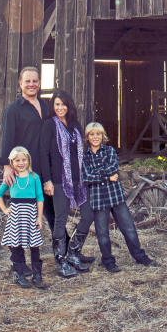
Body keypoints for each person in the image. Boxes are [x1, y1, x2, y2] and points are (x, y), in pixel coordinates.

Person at [80, 122, 156, 272]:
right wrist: (107, 177)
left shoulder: (110, 151)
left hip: (115, 196)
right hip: (98, 199)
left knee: (128, 228)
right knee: (102, 232)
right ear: (87, 137)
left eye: (98, 134)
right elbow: (86, 177)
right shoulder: (84, 157)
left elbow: (113, 168)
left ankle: (139, 256)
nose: (95, 137)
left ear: (103, 136)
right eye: (92, 134)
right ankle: (108, 260)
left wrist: (98, 174)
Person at [38, 90, 94, 278]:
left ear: (69, 106)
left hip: (80, 179)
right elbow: (43, 154)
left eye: (63, 104)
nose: (60, 108)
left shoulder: (75, 125)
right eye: (57, 105)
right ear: (52, 107)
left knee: (88, 214)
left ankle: (73, 254)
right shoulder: (48, 125)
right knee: (60, 218)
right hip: (59, 179)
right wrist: (47, 180)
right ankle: (61, 261)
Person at [0, 146, 47, 289]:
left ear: (28, 160)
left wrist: (39, 217)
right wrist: (5, 209)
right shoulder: (11, 178)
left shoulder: (34, 177)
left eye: (24, 160)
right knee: (16, 245)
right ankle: (19, 276)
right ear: (12, 162)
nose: (21, 163)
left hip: (31, 216)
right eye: (17, 160)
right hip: (16, 217)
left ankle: (37, 276)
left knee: (34, 245)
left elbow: (40, 197)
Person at [0, 67, 50, 189]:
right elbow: (7, 140)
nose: (31, 84)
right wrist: (7, 167)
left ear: (39, 83)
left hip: (47, 169)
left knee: (48, 207)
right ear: (21, 84)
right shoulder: (13, 110)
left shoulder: (47, 107)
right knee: (27, 207)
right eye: (27, 81)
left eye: (35, 81)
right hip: (24, 170)